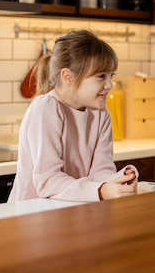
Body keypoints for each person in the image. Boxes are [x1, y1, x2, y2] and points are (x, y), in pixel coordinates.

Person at [8, 30, 138, 202]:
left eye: (111, 75)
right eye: (101, 76)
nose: (109, 84)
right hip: (31, 215)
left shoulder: (100, 113)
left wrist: (119, 179)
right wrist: (101, 191)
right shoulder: (46, 108)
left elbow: (101, 170)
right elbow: (49, 182)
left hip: (72, 210)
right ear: (68, 76)